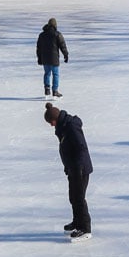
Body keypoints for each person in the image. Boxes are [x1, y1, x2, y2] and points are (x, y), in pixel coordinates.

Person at [44, 103, 93, 242]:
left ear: (55, 119)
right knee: (73, 197)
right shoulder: (62, 126)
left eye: (50, 122)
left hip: (80, 169)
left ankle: (85, 229)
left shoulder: (71, 126)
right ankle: (77, 222)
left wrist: (78, 167)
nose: (51, 125)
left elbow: (81, 147)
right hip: (73, 168)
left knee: (79, 198)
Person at [36, 17, 69, 97]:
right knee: (55, 74)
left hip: (45, 59)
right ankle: (55, 91)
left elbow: (38, 47)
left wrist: (39, 58)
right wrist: (66, 54)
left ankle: (47, 89)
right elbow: (62, 45)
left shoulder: (42, 35)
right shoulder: (57, 34)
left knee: (47, 73)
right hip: (54, 59)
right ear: (55, 25)